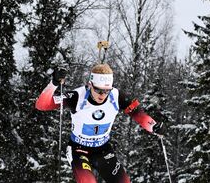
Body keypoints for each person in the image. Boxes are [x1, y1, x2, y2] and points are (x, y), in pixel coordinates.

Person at [35, 63, 163, 183]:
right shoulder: (76, 97)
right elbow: (42, 105)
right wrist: (54, 83)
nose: (102, 95)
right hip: (79, 149)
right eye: (98, 90)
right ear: (90, 85)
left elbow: (138, 114)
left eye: (106, 90)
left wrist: (153, 126)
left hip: (102, 149)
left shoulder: (116, 96)